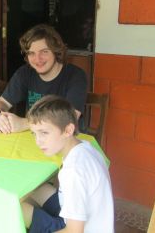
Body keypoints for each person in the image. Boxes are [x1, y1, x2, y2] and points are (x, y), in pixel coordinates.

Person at [21, 95, 114, 232]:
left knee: (13, 208)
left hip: (77, 228)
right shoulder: (85, 146)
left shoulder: (73, 171)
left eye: (44, 133)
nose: (38, 141)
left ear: (68, 130)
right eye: (34, 134)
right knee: (34, 187)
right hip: (87, 219)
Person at [0, 24, 87, 134]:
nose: (38, 59)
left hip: (66, 140)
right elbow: (1, 103)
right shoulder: (25, 73)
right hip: (34, 137)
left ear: (56, 52)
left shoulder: (76, 76)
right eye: (31, 53)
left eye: (44, 51)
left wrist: (24, 123)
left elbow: (70, 117)